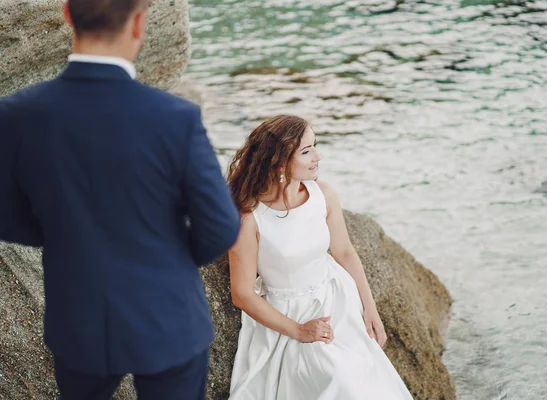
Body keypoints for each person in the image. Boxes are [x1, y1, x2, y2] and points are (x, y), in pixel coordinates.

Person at [0, 0, 240, 398]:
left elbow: (6, 215)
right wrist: (171, 261)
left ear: (67, 15)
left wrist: (67, 235)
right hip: (169, 314)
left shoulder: (17, 114)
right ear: (140, 23)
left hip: (78, 316)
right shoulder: (175, 117)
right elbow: (220, 225)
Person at [226, 115, 414, 399]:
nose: (318, 156)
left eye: (315, 145)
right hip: (289, 315)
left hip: (338, 300)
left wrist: (370, 309)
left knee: (366, 383)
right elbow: (241, 294)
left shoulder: (323, 194)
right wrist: (300, 331)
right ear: (279, 162)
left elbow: (345, 252)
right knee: (339, 381)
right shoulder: (249, 217)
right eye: (306, 151)